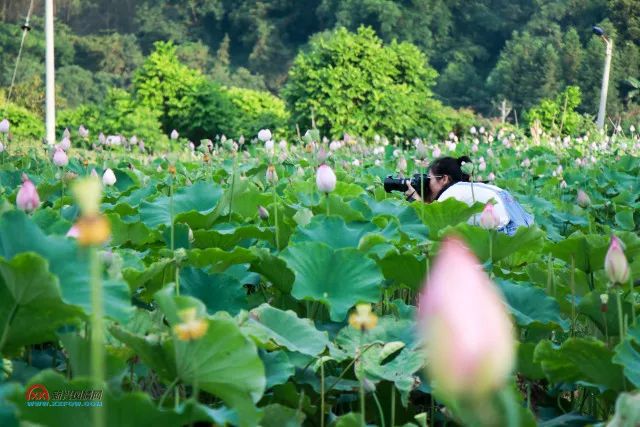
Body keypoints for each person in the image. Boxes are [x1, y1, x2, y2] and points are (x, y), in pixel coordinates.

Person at [405, 156, 534, 235]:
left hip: (506, 232)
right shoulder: (467, 187)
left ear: (444, 179)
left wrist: (415, 199)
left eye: (429, 179)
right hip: (524, 225)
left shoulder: (450, 194)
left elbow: (432, 226)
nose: (427, 184)